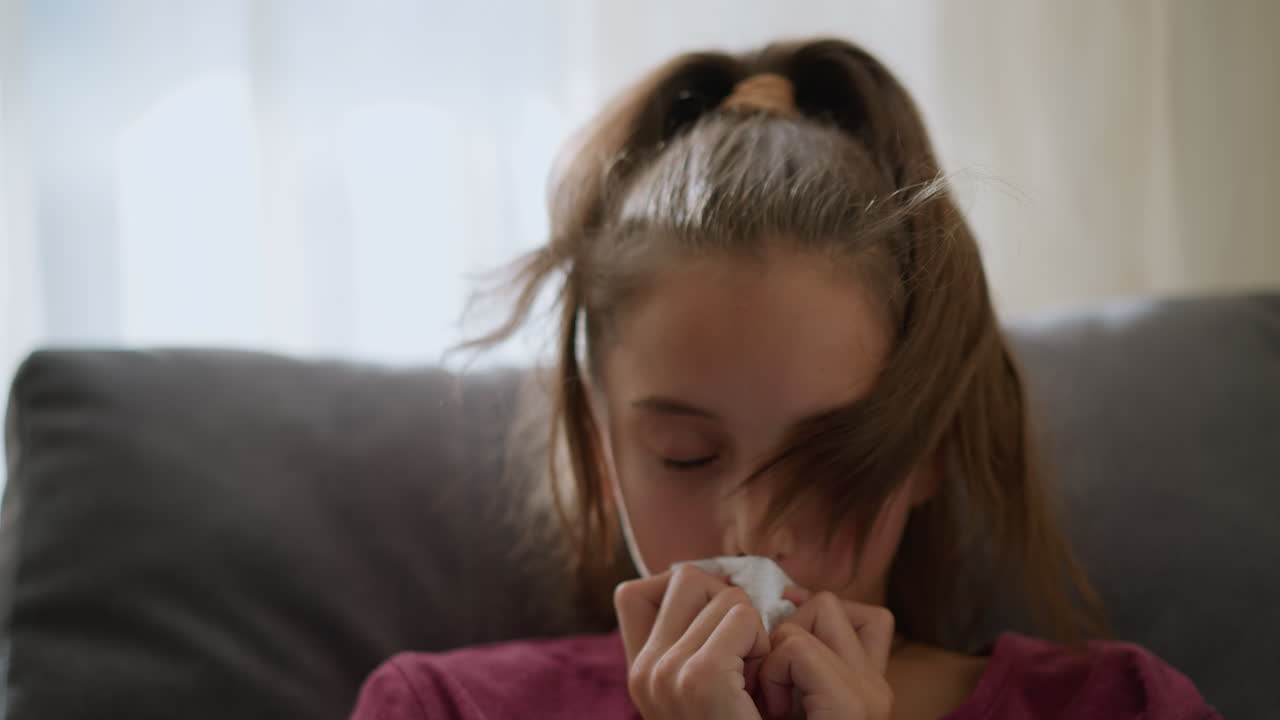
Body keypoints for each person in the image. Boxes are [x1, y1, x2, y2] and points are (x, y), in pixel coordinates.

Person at [349, 37, 1220, 719]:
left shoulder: (1119, 707)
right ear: (603, 444)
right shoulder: (444, 709)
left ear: (928, 447)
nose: (752, 530)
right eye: (686, 455)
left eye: (830, 457)